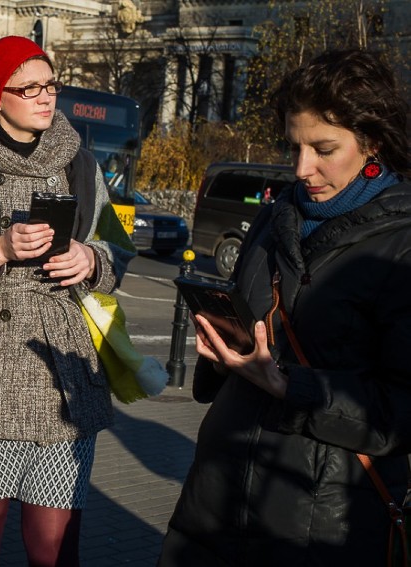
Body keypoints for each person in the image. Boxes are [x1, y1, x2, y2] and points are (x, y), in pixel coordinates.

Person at [0, 36, 167, 566]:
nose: (47, 97)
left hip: (66, 375)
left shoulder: (82, 164)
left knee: (55, 545)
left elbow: (117, 249)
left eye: (51, 85)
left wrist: (92, 263)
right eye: (31, 88)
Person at [157, 50, 411, 566]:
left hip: (321, 521)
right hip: (215, 499)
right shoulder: (275, 220)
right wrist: (222, 348)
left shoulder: (400, 248)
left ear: (373, 141)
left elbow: (399, 412)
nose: (302, 168)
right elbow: (253, 329)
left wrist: (285, 384)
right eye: (294, 145)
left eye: (324, 149)